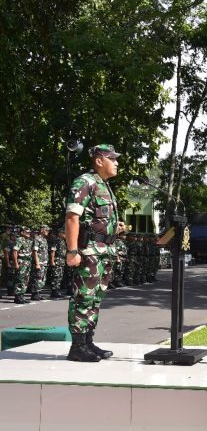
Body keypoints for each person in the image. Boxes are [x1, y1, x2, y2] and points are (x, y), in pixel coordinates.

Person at [64, 143, 126, 362]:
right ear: (99, 160)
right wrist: (72, 251)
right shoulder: (85, 182)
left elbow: (97, 218)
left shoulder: (104, 184)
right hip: (89, 251)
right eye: (113, 159)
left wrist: (113, 228)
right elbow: (72, 218)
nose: (117, 163)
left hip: (104, 250)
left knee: (95, 298)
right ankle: (77, 347)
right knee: (83, 297)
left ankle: (88, 342)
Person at [12, 226, 34, 304]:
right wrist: (16, 264)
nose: (29, 233)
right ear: (22, 232)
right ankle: (17, 297)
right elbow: (15, 252)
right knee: (20, 279)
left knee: (25, 280)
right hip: (21, 261)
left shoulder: (28, 240)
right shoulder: (19, 239)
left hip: (27, 262)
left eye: (29, 232)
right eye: (26, 232)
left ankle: (21, 295)